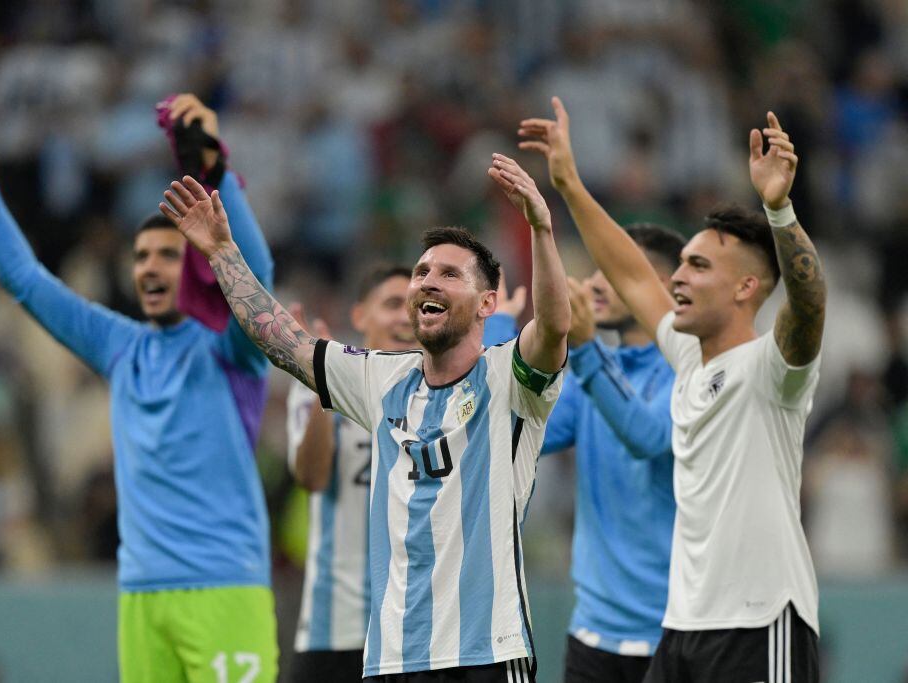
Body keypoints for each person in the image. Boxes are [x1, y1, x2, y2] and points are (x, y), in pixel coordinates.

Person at [159, 152, 572, 682]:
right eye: (422, 272)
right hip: (393, 657)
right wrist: (222, 253)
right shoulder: (382, 379)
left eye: (449, 274)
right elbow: (282, 341)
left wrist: (540, 228)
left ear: (488, 302)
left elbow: (555, 326)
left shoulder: (510, 379)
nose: (427, 281)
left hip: (487, 651)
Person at [0, 77, 279, 683]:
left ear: (198, 263)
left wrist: (215, 169)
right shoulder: (120, 348)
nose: (150, 266)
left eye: (168, 254)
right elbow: (24, 279)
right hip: (140, 595)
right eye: (141, 256)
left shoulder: (234, 352)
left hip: (226, 587)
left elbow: (259, 278)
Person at [520, 98, 826, 681]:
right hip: (682, 627)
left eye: (699, 267)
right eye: (680, 263)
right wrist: (569, 184)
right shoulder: (688, 359)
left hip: (760, 621)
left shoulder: (773, 368)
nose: (679, 277)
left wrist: (779, 209)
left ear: (746, 288)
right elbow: (633, 272)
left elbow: (810, 302)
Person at [287, 268, 526, 683]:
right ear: (360, 316)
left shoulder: (439, 400)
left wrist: (498, 325)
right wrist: (320, 393)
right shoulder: (334, 386)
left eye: (408, 305)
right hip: (337, 623)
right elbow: (310, 476)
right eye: (390, 304)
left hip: (417, 627)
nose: (402, 317)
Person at [542, 225, 681, 682]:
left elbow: (647, 436)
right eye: (597, 271)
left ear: (660, 288)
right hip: (591, 634)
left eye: (616, 271)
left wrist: (583, 349)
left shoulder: (690, 373)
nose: (597, 283)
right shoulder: (596, 371)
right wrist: (505, 333)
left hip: (672, 632)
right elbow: (523, 432)